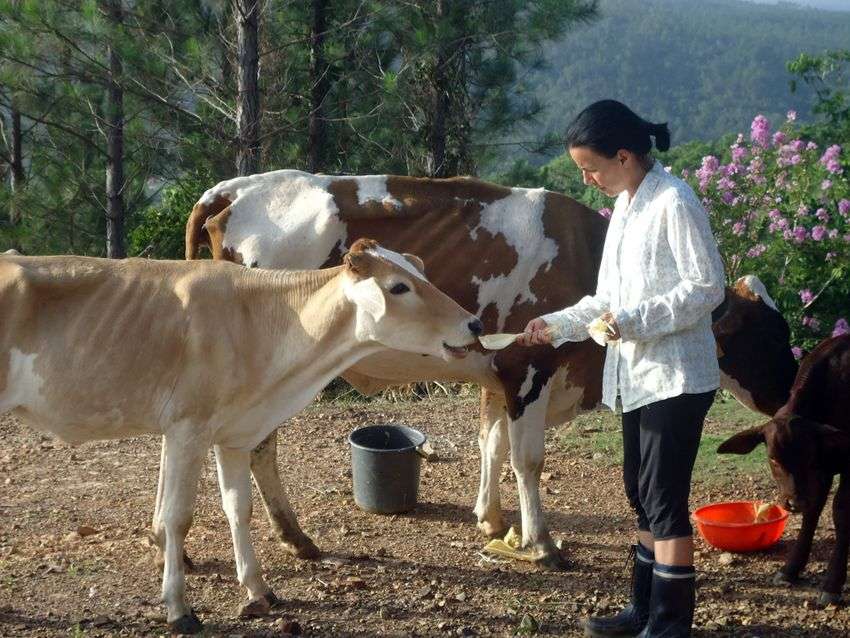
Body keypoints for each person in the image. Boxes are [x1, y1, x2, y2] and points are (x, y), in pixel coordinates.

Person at [516, 100, 725, 638]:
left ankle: (671, 622)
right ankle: (643, 610)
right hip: (636, 375)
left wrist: (631, 322)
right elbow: (605, 299)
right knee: (638, 488)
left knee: (663, 495)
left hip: (675, 375)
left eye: (591, 167)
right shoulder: (629, 206)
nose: (587, 179)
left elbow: (706, 288)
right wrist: (554, 324)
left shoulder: (675, 201)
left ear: (625, 155)